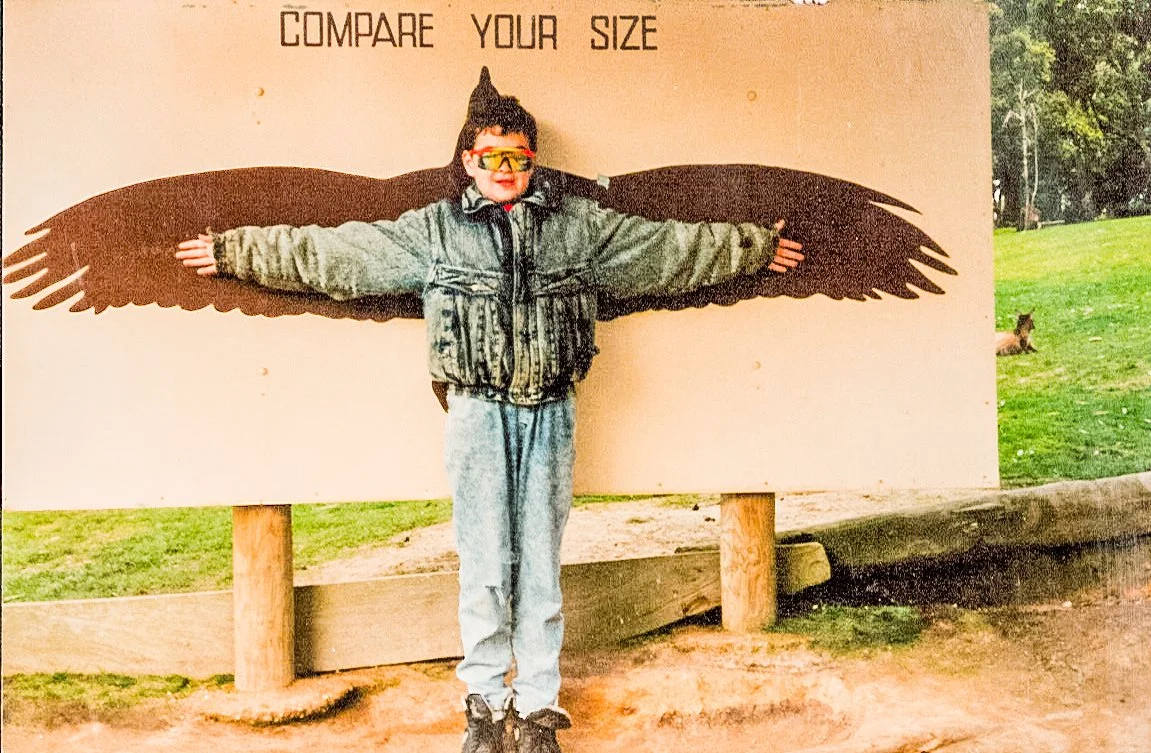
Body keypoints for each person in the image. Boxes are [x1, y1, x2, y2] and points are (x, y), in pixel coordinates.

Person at [176, 89, 803, 753]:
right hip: (475, 414)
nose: (505, 168)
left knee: (538, 567)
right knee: (483, 565)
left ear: (531, 161)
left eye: (518, 156)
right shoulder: (434, 230)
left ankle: (536, 710)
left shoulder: (582, 228)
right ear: (469, 161)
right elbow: (338, 255)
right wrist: (235, 252)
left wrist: (753, 247)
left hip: (550, 413)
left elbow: (670, 250)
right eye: (491, 156)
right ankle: (482, 706)